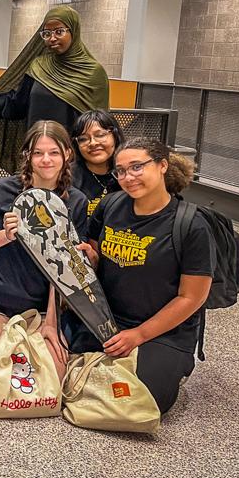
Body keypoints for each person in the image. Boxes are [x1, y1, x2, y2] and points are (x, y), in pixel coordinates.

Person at [63, 138, 215, 415]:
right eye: (120, 171)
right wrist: (90, 259)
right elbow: (97, 256)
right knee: (47, 365)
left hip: (161, 330)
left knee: (145, 401)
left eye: (137, 167)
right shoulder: (111, 205)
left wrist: (138, 335)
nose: (128, 177)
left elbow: (192, 297)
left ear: (162, 165)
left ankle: (171, 364)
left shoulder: (191, 225)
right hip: (107, 319)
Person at [0, 120, 88, 378]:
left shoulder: (76, 202)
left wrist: (52, 322)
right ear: (27, 155)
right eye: (38, 153)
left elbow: (65, 269)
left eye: (54, 152)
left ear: (67, 154)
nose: (46, 160)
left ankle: (16, 338)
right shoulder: (2, 190)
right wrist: (6, 235)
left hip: (41, 307)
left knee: (50, 378)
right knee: (2, 377)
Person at [0, 5, 109, 173]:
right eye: (46, 33)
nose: (52, 38)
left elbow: (99, 124)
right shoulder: (38, 67)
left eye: (59, 32)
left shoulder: (93, 73)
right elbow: (16, 105)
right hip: (37, 156)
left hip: (72, 162)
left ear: (74, 31)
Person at [70, 109, 124, 217]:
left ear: (115, 135)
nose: (93, 143)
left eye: (100, 135)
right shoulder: (68, 176)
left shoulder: (128, 173)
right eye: (83, 139)